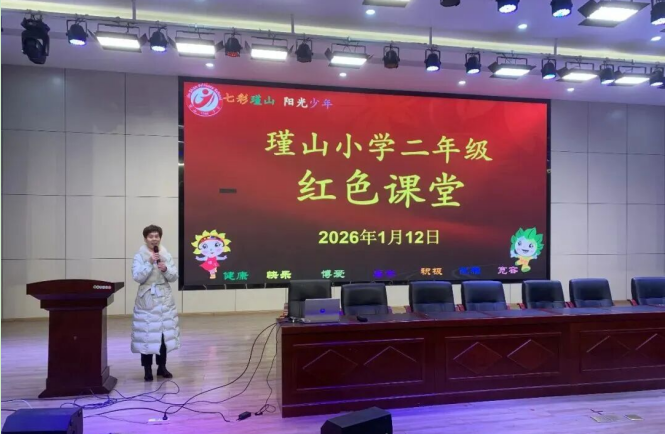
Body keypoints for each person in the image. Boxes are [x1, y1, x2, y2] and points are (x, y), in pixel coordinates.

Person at [131, 224, 181, 381]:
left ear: (160, 237)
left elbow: (174, 277)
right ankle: (147, 369)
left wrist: (165, 269)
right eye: (151, 236)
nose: (154, 239)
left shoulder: (165, 254)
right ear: (145, 238)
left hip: (164, 298)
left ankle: (162, 367)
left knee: (163, 335)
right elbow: (137, 277)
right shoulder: (139, 256)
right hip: (147, 298)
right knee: (147, 335)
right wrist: (149, 262)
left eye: (157, 236)